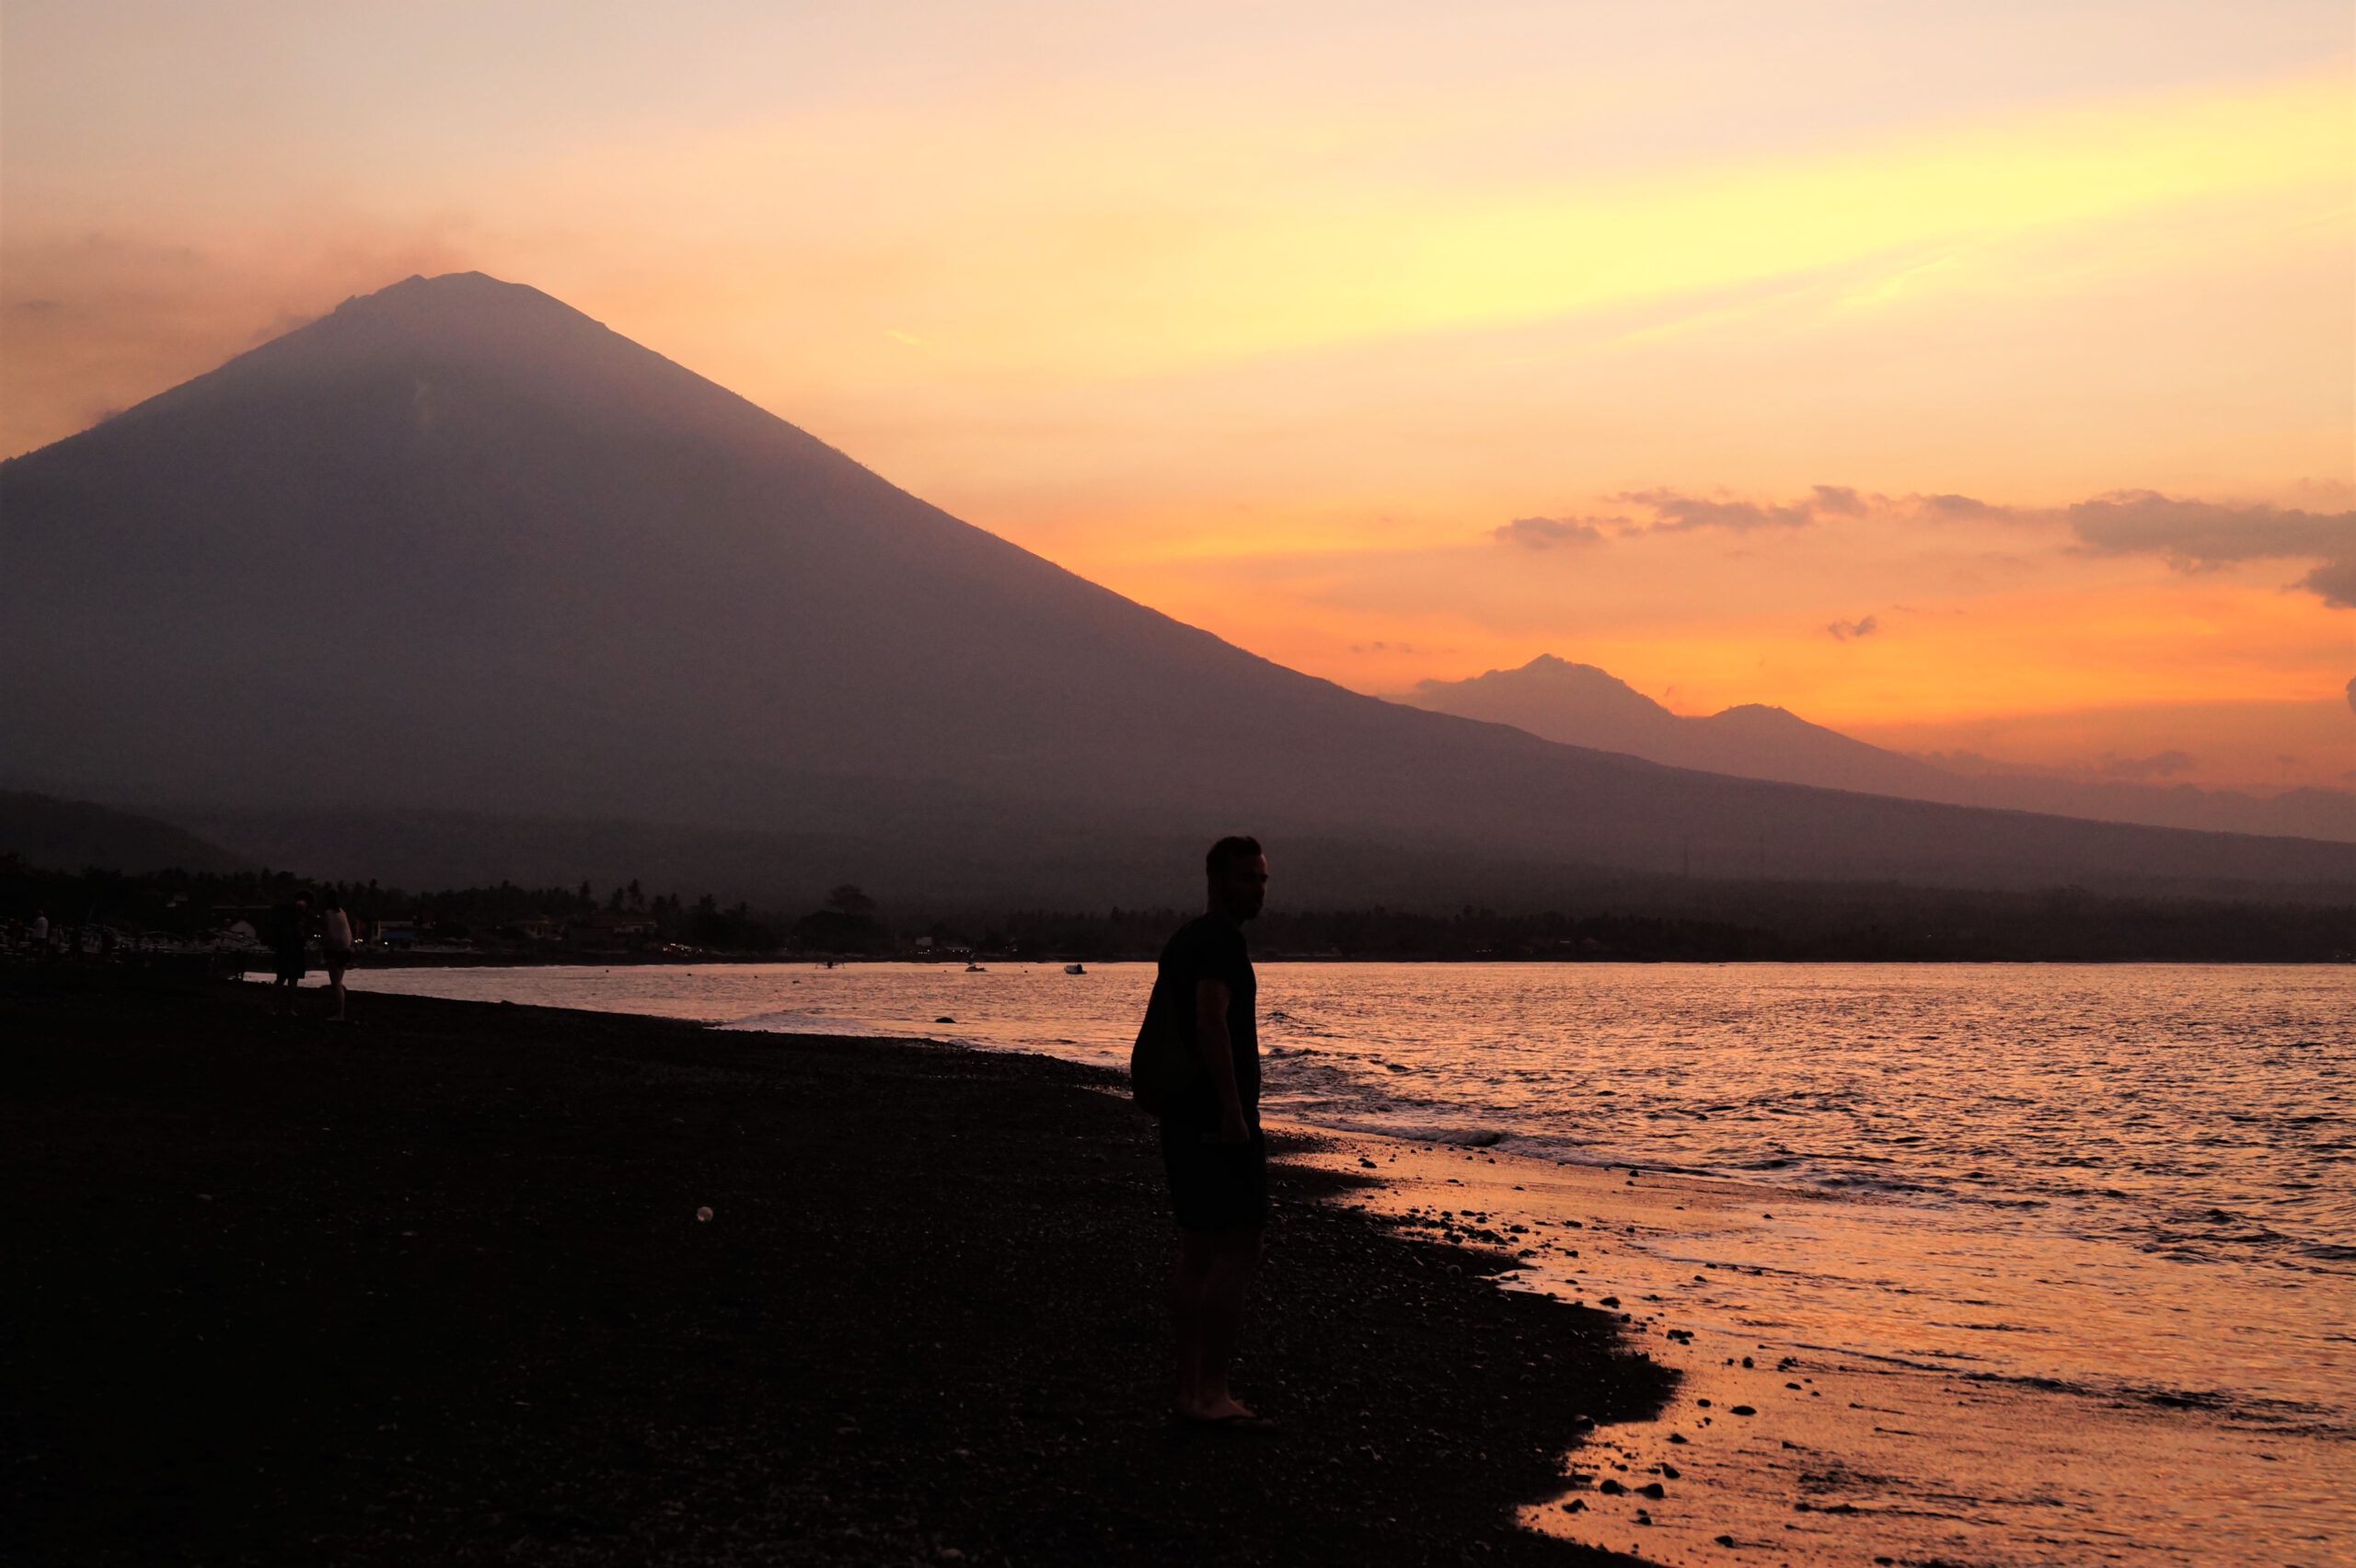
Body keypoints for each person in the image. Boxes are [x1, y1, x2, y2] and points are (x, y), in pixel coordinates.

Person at [1146, 835, 1273, 1429]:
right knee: (1239, 1247)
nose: (1259, 890)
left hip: (1182, 1119)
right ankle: (1213, 1393)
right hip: (1213, 1124)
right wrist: (1232, 1113)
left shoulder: (1183, 940)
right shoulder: (1220, 941)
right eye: (1249, 879)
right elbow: (1210, 1021)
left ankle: (1187, 1392)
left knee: (1197, 1249)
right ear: (1218, 881)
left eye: (1263, 878)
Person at [271, 894, 311, 1015]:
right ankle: (289, 1008)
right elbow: (301, 939)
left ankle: (274, 1007)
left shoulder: (284, 921)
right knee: (292, 982)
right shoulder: (297, 923)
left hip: (284, 953)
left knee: (280, 980)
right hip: (294, 953)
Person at [320, 891, 355, 1022]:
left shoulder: (328, 914)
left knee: (336, 984)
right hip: (345, 950)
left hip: (334, 950)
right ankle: (339, 1012)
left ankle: (340, 1014)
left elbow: (328, 932)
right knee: (338, 982)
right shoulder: (342, 912)